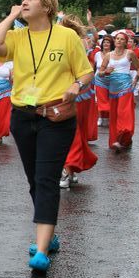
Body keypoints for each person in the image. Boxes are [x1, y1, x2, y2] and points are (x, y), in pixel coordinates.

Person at [0, 0, 93, 272]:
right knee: (35, 180)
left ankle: (41, 250)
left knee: (46, 179)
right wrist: (10, 16)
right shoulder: (17, 37)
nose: (24, 2)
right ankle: (50, 234)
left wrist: (75, 86)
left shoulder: (66, 36)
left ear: (46, 6)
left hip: (55, 118)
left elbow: (86, 72)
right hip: (22, 116)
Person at [58, 14, 98, 188]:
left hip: (77, 93)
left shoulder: (78, 42)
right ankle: (71, 169)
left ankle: (67, 171)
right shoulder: (77, 40)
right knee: (74, 132)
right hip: (76, 93)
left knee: (71, 132)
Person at [98, 30, 139, 152]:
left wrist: (135, 80)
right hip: (113, 89)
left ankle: (123, 137)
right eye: (117, 38)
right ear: (115, 41)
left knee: (124, 114)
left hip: (126, 88)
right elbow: (100, 73)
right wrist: (105, 72)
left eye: (122, 39)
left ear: (126, 42)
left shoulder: (130, 53)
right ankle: (117, 140)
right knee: (115, 115)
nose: (119, 41)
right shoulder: (108, 55)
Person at [94, 34, 114, 126]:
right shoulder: (97, 54)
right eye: (104, 42)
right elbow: (93, 67)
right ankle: (100, 118)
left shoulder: (114, 54)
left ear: (111, 44)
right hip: (99, 79)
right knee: (100, 100)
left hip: (111, 80)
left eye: (108, 42)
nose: (106, 44)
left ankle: (109, 118)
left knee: (110, 100)